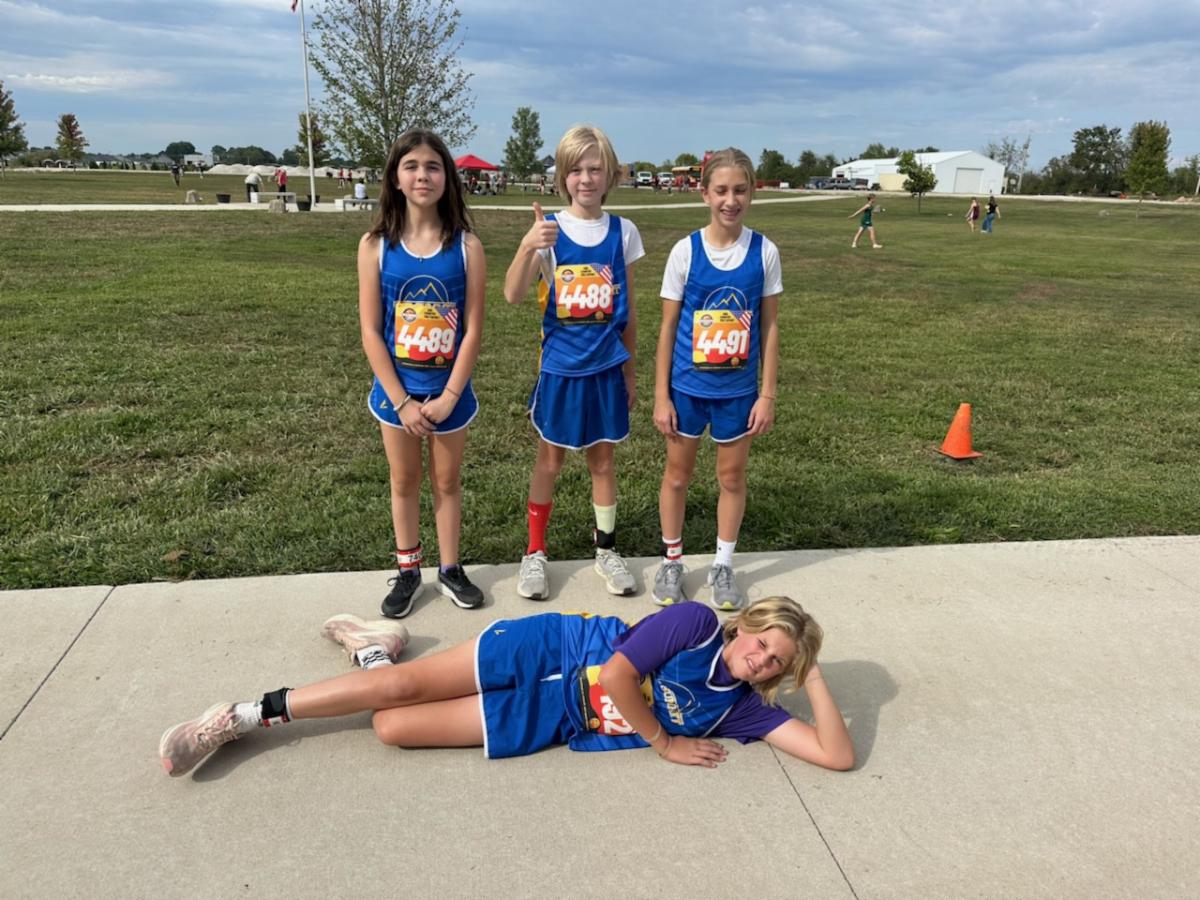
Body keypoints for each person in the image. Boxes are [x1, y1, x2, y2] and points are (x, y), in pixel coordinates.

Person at [158, 596, 854, 777]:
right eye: (761, 642)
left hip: (557, 716)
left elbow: (835, 755)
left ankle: (372, 650)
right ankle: (242, 715)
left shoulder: (739, 712)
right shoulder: (697, 624)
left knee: (392, 726)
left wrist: (813, 671)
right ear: (742, 627)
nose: (760, 660)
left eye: (777, 663)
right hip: (555, 649)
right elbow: (618, 674)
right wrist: (664, 742)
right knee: (401, 690)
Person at [503, 125, 644, 602]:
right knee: (550, 460)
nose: (586, 178)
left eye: (595, 169)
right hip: (561, 368)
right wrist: (528, 245)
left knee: (602, 462)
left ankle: (606, 548)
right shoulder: (549, 230)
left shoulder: (624, 232)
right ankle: (534, 551)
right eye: (576, 170)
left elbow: (629, 311)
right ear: (562, 176)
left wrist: (630, 371)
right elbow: (513, 293)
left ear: (610, 175)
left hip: (606, 367)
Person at [359, 129, 487, 618]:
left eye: (433, 166)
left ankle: (450, 568)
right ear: (395, 177)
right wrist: (402, 402)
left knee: (447, 480)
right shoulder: (375, 245)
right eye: (411, 166)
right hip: (398, 395)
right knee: (404, 480)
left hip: (448, 394)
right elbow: (371, 331)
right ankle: (409, 570)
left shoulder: (467, 247)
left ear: (447, 177)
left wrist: (450, 395)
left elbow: (472, 330)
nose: (422, 176)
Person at [651, 148, 782, 611]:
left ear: (752, 193)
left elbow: (769, 326)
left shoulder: (764, 252)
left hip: (738, 394)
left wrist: (767, 394)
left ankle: (723, 565)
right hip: (687, 390)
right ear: (704, 193)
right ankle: (672, 561)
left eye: (740, 190)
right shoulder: (685, 251)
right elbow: (668, 327)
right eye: (721, 190)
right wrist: (661, 395)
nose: (731, 200)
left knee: (731, 477)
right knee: (677, 476)